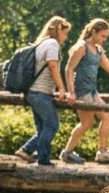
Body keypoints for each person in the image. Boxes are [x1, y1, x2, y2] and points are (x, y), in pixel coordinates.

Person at [58, 18, 109, 165]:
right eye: (103, 36)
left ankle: (102, 152)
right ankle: (67, 152)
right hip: (81, 90)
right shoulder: (81, 47)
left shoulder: (98, 49)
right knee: (86, 123)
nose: (104, 39)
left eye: (106, 37)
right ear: (94, 32)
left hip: (92, 90)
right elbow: (69, 69)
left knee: (107, 116)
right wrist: (71, 92)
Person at [14, 16, 71, 167]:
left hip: (33, 92)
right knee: (52, 125)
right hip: (41, 93)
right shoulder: (52, 44)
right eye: (65, 34)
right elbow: (52, 66)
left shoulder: (41, 43)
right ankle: (29, 151)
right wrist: (62, 88)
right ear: (59, 31)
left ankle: (41, 159)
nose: (65, 38)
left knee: (42, 128)